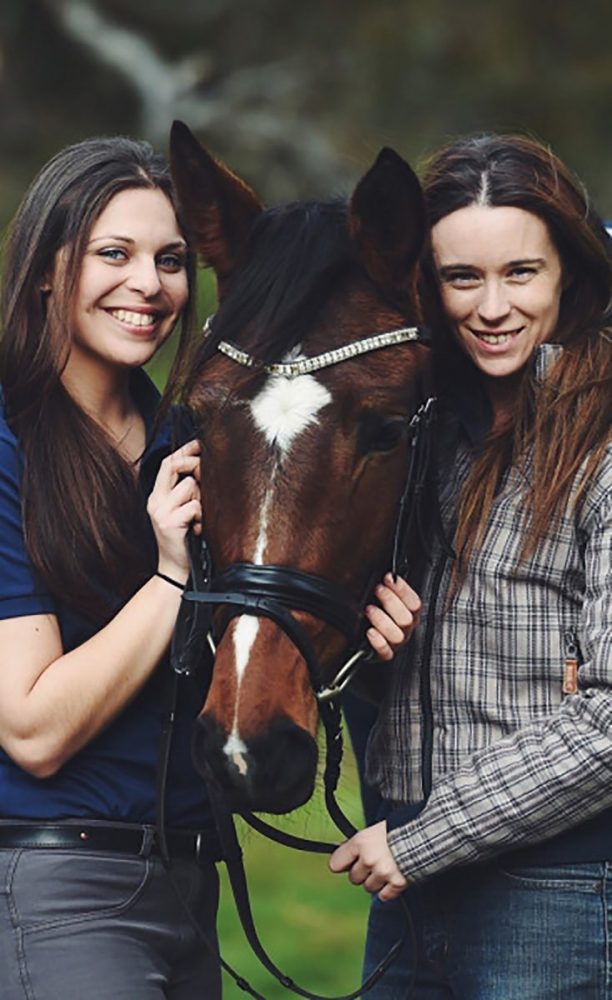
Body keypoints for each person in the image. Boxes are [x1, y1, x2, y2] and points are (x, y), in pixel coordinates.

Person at [329, 133, 612, 998]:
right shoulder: (418, 440)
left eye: (520, 273)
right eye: (463, 278)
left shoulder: (601, 449)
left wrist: (420, 840)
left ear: (569, 272)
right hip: (411, 896)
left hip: (554, 893)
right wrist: (377, 666)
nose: (492, 306)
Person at [0, 135, 223, 999]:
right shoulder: (10, 447)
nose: (150, 285)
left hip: (194, 880)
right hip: (60, 883)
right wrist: (169, 575)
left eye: (172, 260)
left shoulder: (191, 444)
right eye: (114, 253)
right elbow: (33, 727)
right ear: (49, 268)